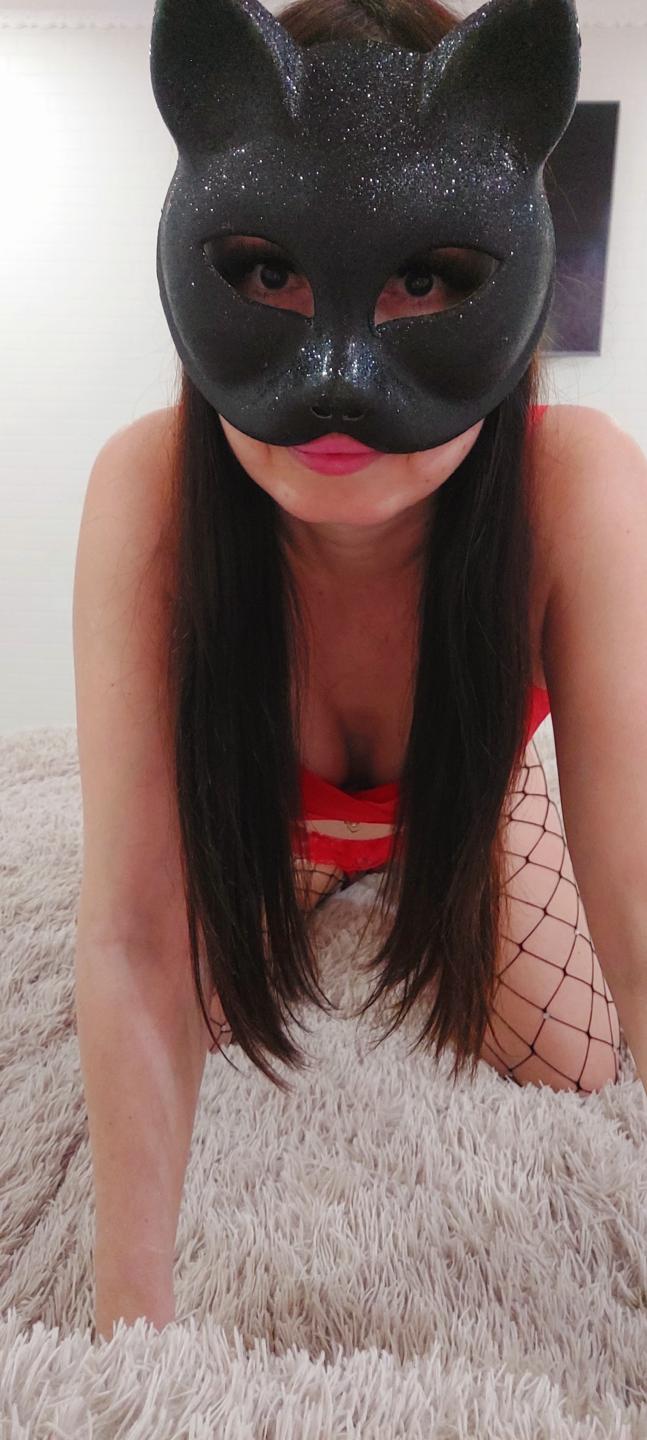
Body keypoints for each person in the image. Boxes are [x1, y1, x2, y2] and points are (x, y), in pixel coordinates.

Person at [73, 0, 620, 1341]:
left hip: (468, 806)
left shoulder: (576, 486)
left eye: (424, 282)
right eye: (267, 272)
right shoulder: (150, 491)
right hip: (259, 810)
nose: (334, 375)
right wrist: (128, 1344)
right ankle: (325, 872)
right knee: (195, 1021)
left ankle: (390, 864)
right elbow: (132, 931)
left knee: (577, 1059)